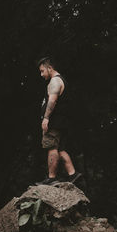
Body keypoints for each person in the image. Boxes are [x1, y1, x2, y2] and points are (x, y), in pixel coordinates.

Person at [35, 57, 82, 185]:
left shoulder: (55, 81)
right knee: (61, 149)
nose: (41, 74)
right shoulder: (62, 80)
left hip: (54, 122)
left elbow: (52, 101)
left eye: (42, 71)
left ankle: (52, 178)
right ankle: (73, 174)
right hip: (63, 121)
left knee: (51, 147)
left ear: (50, 68)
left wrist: (46, 118)